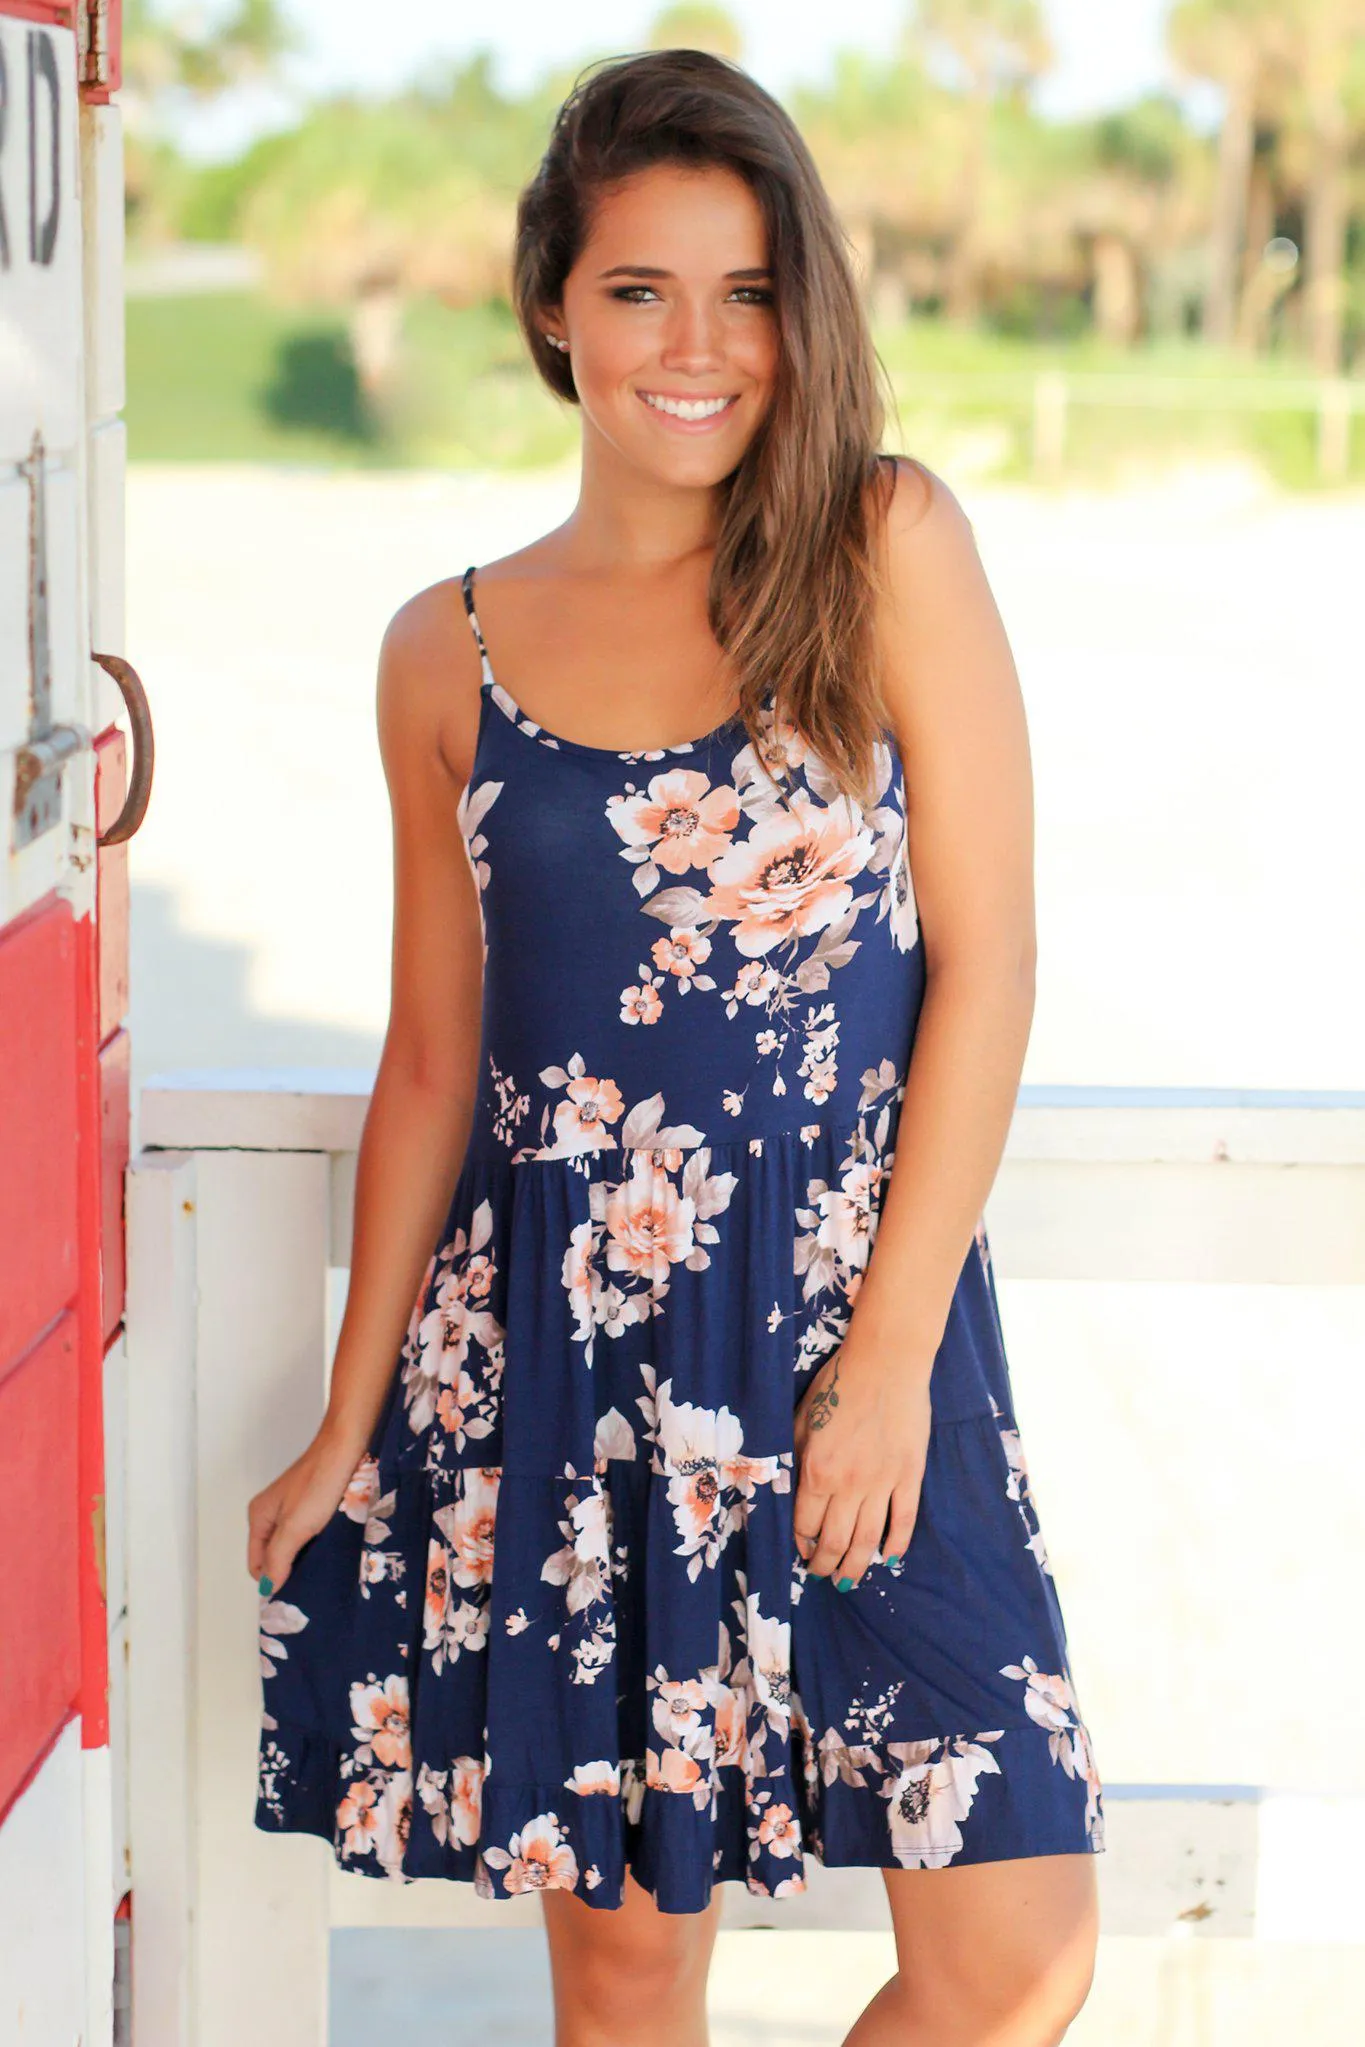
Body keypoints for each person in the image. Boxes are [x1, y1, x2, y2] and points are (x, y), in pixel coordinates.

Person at [247, 46, 1103, 2047]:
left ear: (802, 310)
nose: (697, 346)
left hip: (853, 1359)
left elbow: (991, 961)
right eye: (641, 290)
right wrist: (350, 1415)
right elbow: (435, 1069)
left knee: (1019, 1954)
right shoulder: (438, 650)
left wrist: (888, 1360)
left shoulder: (883, 544)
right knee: (629, 1983)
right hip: (563, 1373)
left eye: (747, 292)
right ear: (555, 304)